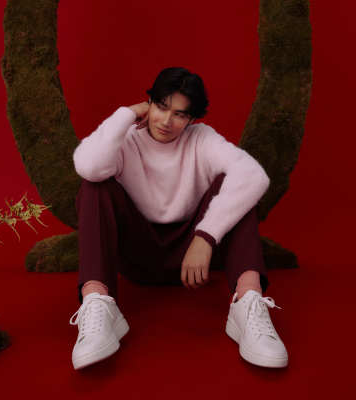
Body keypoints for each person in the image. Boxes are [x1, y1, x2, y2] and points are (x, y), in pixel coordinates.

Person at [70, 67, 288, 370]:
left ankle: (248, 302)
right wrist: (126, 113)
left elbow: (254, 176)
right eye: (161, 107)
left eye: (180, 114)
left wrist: (205, 237)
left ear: (192, 119)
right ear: (149, 102)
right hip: (138, 252)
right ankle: (97, 303)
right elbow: (89, 166)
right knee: (95, 184)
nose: (166, 121)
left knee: (236, 183)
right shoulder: (126, 138)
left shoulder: (201, 138)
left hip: (190, 256)